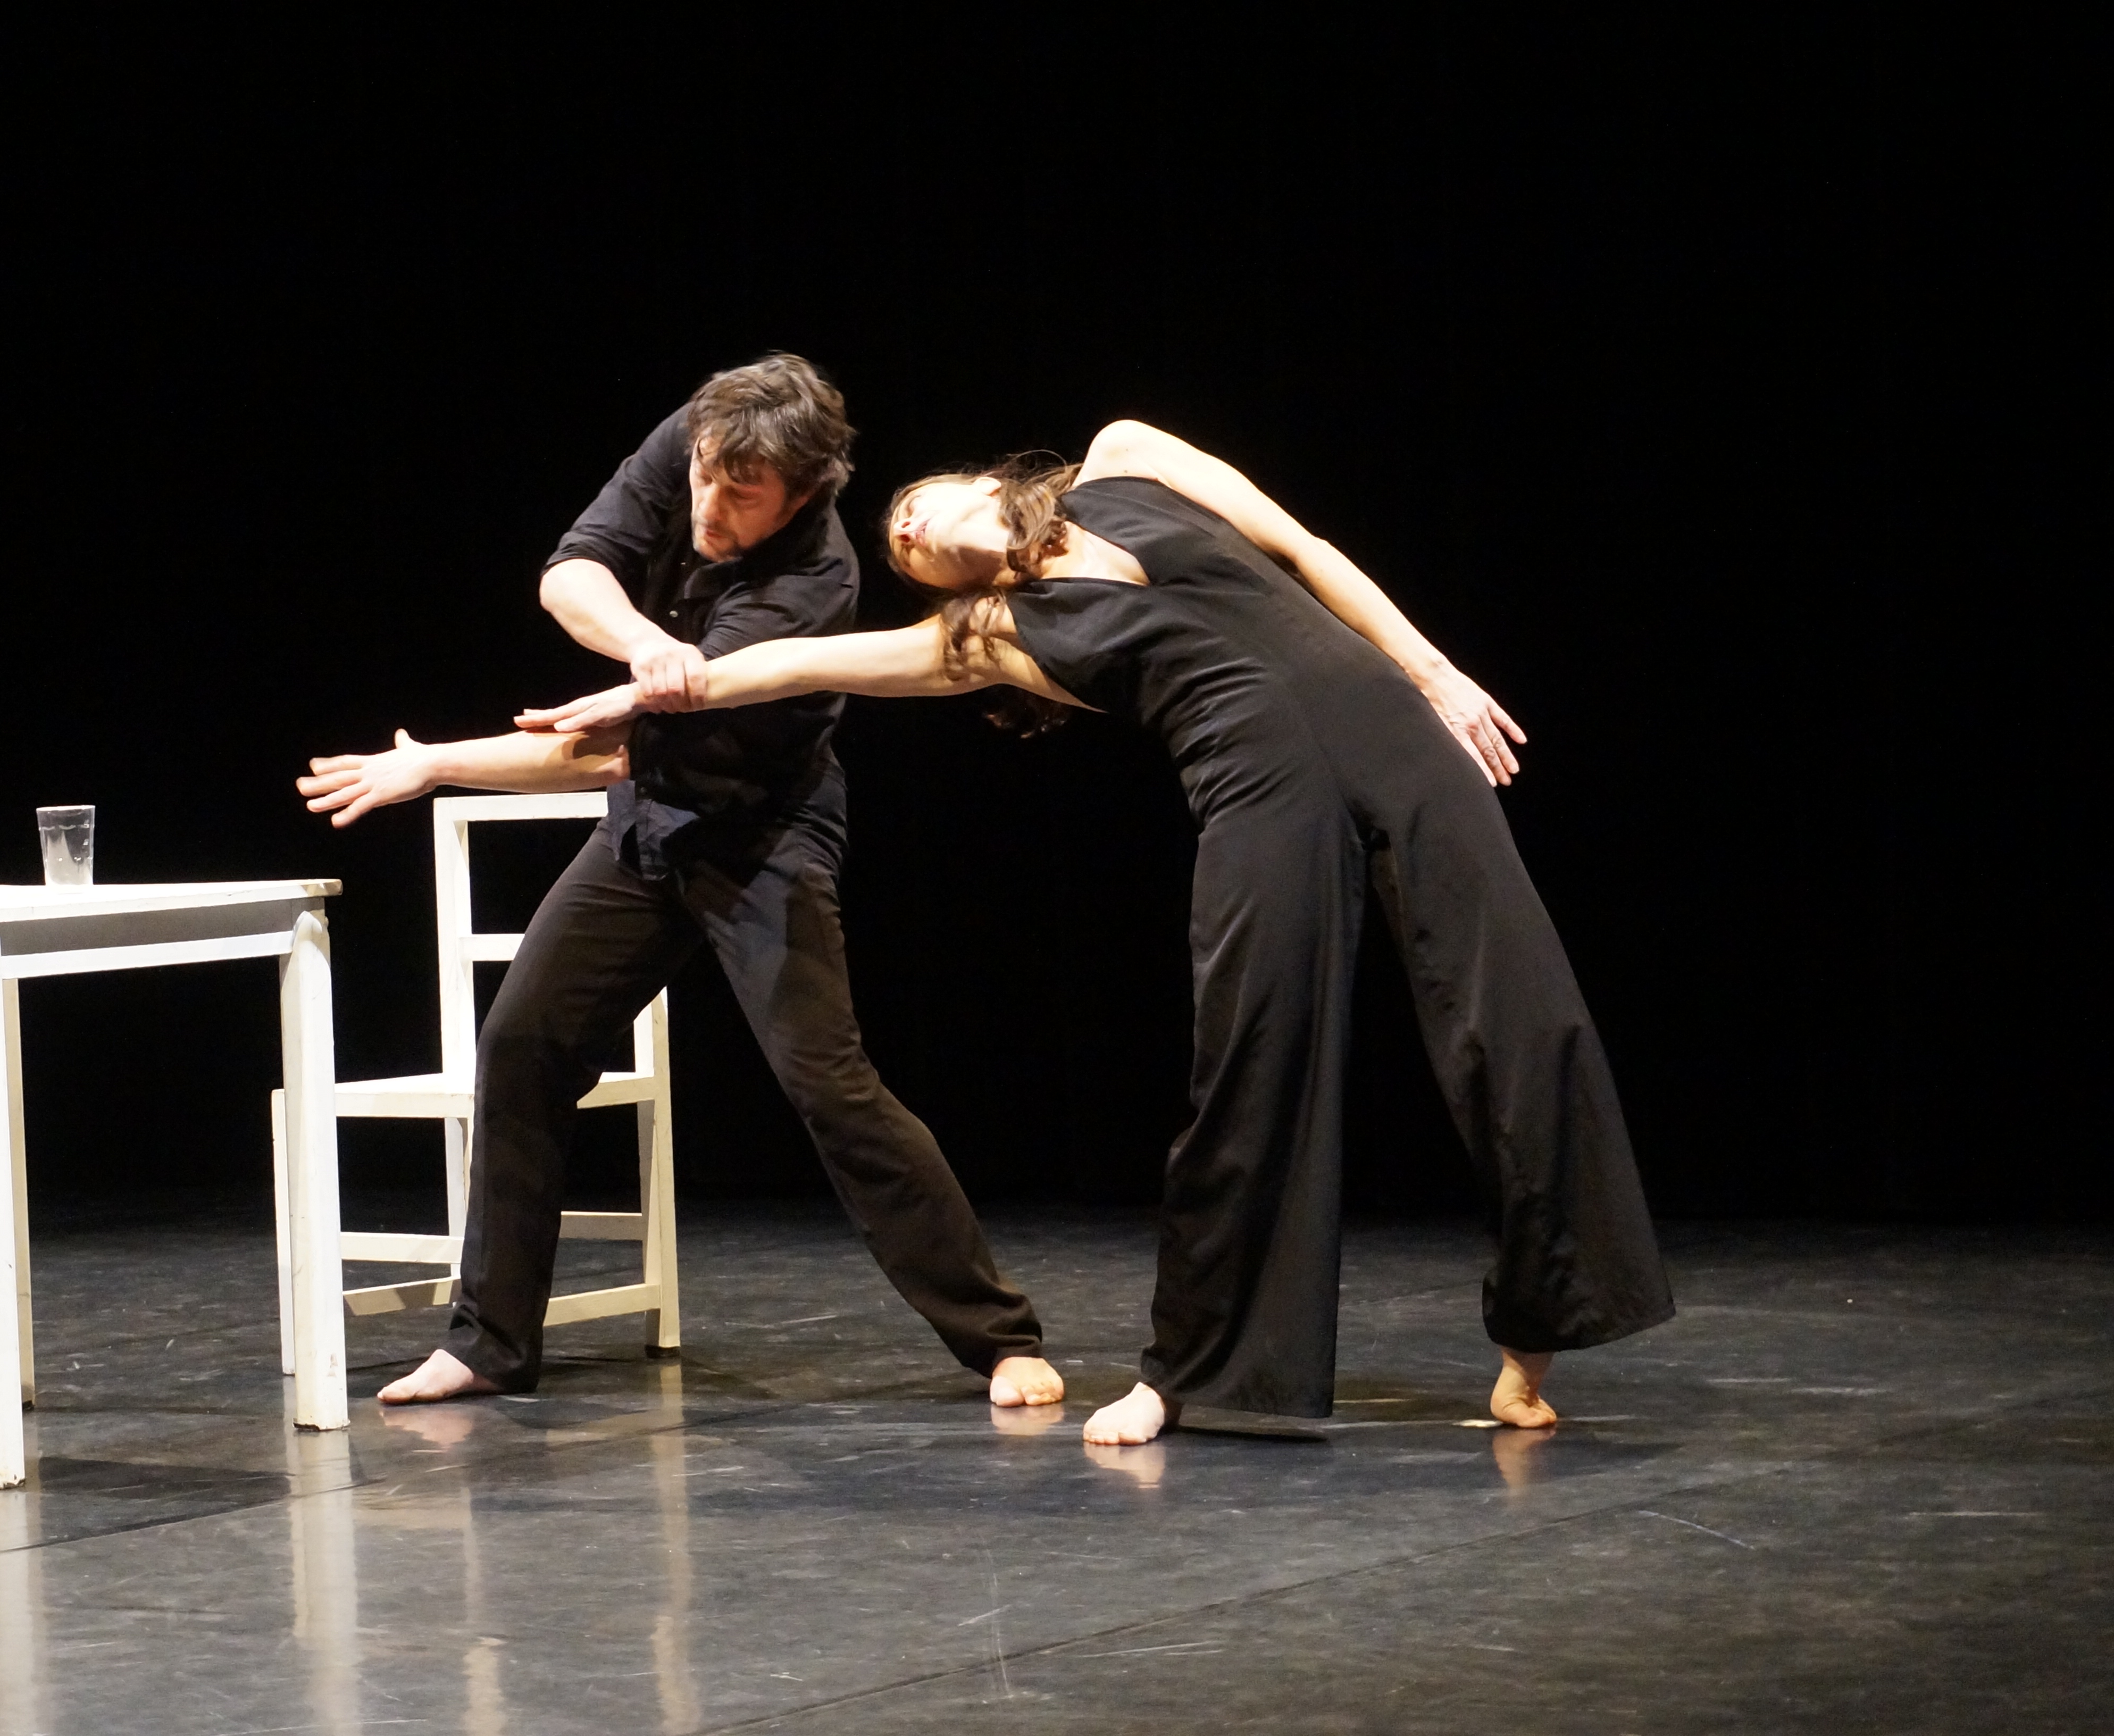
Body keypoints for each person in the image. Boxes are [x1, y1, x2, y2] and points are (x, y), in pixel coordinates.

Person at [521, 418, 1675, 1446]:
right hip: (1256, 788)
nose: (910, 533)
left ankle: (1534, 1340)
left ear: (983, 479)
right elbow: (794, 662)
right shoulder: (986, 635)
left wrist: (1431, 671)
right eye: (903, 552)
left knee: (1521, 1019)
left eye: (916, 507)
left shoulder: (1126, 456)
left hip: (1387, 726)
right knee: (1252, 1056)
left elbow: (1305, 550)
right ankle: (1191, 1374)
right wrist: (659, 686)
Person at [296, 354, 1062, 1409]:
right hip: (649, 826)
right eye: (702, 474)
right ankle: (489, 1344)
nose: (707, 504)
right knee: (522, 1046)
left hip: (761, 838)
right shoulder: (709, 432)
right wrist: (649, 648)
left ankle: (1002, 1340)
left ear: (804, 490)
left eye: (740, 494)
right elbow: (569, 573)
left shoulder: (812, 587)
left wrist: (440, 762)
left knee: (829, 1088)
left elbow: (612, 754)